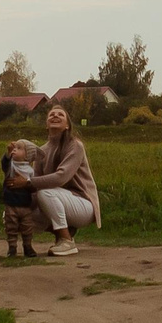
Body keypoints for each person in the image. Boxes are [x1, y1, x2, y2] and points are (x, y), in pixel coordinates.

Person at [27, 102, 102, 257]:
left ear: (67, 125)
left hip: (83, 204)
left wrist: (28, 183)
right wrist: (21, 200)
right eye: (51, 114)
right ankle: (62, 233)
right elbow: (35, 183)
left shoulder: (75, 145)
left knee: (45, 193)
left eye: (60, 115)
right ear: (46, 124)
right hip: (57, 200)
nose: (55, 116)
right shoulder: (41, 151)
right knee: (12, 213)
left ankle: (66, 240)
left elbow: (61, 177)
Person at [0, 137, 42, 258]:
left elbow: (33, 187)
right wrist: (8, 153)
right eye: (14, 148)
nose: (14, 150)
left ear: (27, 155)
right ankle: (12, 247)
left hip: (25, 205)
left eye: (19, 148)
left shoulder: (30, 171)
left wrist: (28, 183)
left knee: (27, 227)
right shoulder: (11, 166)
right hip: (11, 203)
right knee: (11, 226)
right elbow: (4, 164)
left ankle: (27, 246)